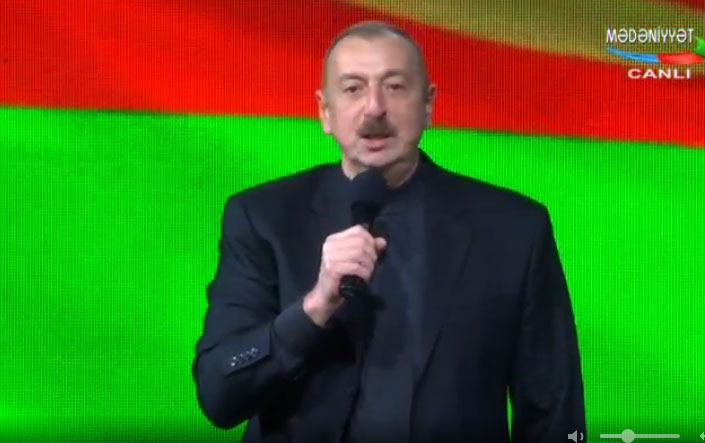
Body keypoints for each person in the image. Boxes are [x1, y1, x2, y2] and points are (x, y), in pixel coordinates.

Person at [193, 20, 586, 443]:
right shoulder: (262, 217)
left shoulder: (512, 229)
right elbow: (219, 395)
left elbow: (554, 412)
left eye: (395, 87)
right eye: (353, 89)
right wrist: (314, 307)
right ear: (325, 112)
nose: (374, 108)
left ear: (428, 104)